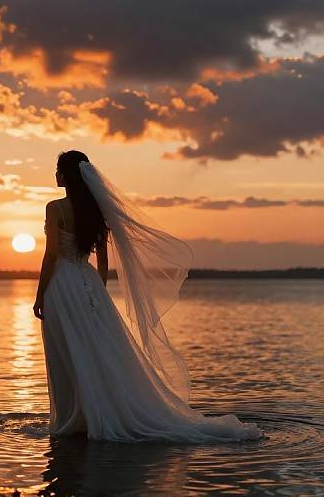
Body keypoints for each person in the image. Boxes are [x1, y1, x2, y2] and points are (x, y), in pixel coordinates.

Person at [34, 150, 262, 443]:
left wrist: (40, 294)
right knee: (94, 351)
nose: (55, 175)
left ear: (66, 175)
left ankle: (76, 419)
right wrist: (97, 292)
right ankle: (94, 414)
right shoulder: (95, 210)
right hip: (88, 281)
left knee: (68, 351)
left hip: (63, 284)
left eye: (57, 170)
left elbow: (52, 254)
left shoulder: (55, 208)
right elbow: (102, 258)